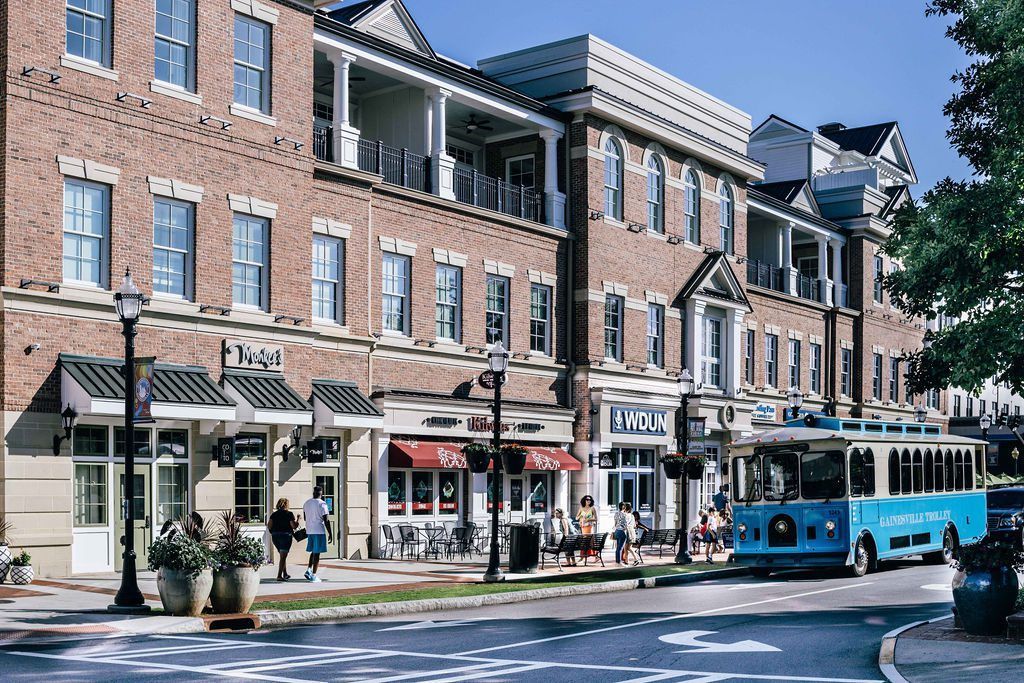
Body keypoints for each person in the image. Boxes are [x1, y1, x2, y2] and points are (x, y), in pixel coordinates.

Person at [302, 486, 333, 582]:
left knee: (313, 551)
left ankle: (309, 569)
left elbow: (305, 518)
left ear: (313, 493)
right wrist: (330, 533)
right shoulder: (322, 504)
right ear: (321, 493)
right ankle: (314, 575)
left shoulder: (306, 503)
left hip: (310, 530)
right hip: (319, 530)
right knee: (317, 554)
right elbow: (326, 520)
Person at [267, 498, 298, 581]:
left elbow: (269, 526)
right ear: (286, 505)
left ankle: (285, 574)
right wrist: (298, 520)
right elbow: (294, 526)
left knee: (282, 556)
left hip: (275, 537)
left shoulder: (274, 514)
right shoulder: (289, 514)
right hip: (286, 536)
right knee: (283, 557)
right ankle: (279, 576)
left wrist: (273, 532)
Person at [612, 501, 628, 565]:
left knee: (617, 548)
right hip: (622, 532)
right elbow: (625, 525)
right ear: (624, 507)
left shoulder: (616, 514)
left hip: (617, 531)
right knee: (620, 548)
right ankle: (619, 562)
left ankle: (617, 561)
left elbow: (615, 523)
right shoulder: (624, 514)